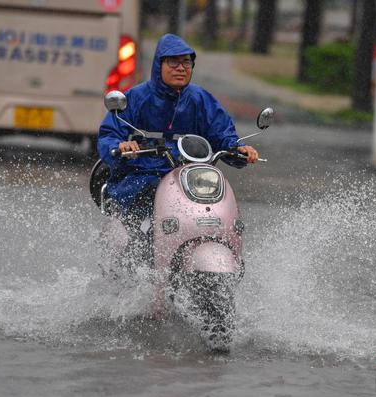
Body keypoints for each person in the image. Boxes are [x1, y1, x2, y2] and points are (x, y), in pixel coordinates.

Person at [97, 34, 259, 244]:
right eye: (173, 61)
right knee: (139, 224)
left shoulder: (201, 100)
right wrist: (120, 146)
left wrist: (239, 149)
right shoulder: (136, 98)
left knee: (217, 205)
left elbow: (223, 134)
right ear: (159, 64)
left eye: (186, 62)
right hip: (142, 176)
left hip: (189, 179)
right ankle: (137, 255)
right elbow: (109, 134)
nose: (181, 68)